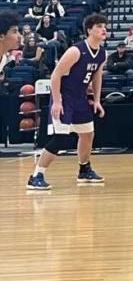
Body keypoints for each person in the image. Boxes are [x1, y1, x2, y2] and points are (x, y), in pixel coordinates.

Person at [26, 14, 108, 191]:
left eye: (105, 26)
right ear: (89, 30)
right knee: (61, 139)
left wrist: (97, 100)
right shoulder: (76, 51)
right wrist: (56, 102)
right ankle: (36, 176)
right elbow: (55, 75)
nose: (104, 29)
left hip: (80, 99)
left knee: (87, 134)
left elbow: (97, 76)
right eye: (100, 26)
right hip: (64, 98)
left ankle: (84, 170)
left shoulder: (102, 53)